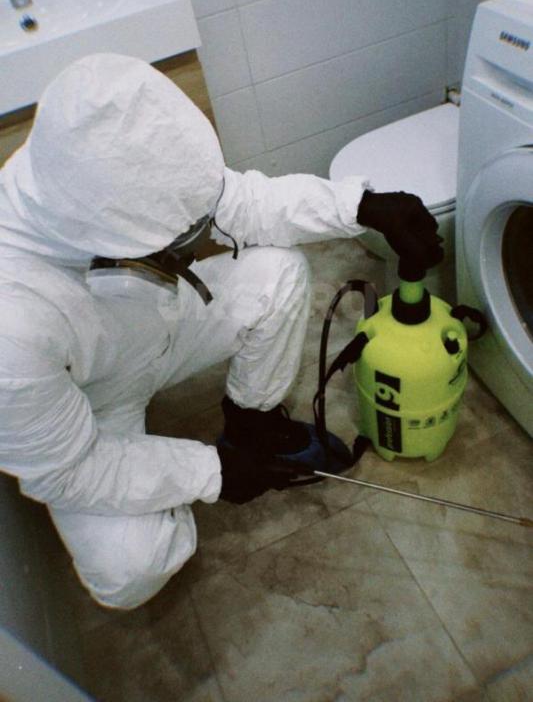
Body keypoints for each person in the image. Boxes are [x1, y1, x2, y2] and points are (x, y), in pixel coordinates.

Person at [0, 54, 442, 609]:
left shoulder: (105, 163)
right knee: (131, 568)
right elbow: (68, 470)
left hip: (157, 327)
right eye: (173, 240)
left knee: (278, 272)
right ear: (109, 238)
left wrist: (362, 207)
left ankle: (252, 424)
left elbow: (244, 204)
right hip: (95, 404)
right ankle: (195, 464)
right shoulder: (12, 326)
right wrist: (211, 472)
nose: (196, 240)